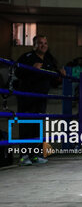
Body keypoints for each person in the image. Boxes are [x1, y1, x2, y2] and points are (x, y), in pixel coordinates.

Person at [15, 35, 65, 166]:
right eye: (40, 43)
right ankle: (24, 155)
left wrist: (60, 75)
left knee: (37, 126)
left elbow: (53, 81)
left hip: (41, 99)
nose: (43, 45)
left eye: (45, 43)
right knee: (26, 126)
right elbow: (17, 72)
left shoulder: (49, 60)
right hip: (27, 97)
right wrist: (31, 69)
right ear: (34, 45)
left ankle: (35, 155)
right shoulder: (27, 57)